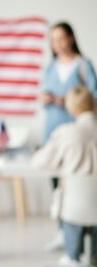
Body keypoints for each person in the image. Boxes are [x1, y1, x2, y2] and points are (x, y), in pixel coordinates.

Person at [41, 22, 97, 251]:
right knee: (58, 187)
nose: (58, 44)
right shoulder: (51, 68)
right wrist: (48, 100)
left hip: (80, 137)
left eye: (62, 38)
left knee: (81, 186)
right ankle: (63, 233)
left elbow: (92, 98)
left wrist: (65, 101)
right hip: (54, 135)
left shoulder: (84, 66)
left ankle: (85, 239)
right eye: (54, 40)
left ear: (71, 38)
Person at [33, 86, 97, 267]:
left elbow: (40, 161)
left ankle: (73, 257)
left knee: (70, 201)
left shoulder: (66, 133)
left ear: (71, 108)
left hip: (74, 209)